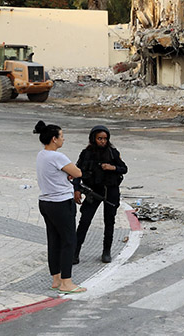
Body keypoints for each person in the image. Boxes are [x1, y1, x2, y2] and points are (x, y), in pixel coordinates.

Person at [33, 120, 86, 294]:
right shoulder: (58, 156)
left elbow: (57, 174)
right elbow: (77, 172)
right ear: (54, 139)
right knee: (69, 240)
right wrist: (69, 174)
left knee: (54, 240)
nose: (63, 139)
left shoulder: (41, 155)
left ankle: (56, 279)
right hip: (61, 203)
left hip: (46, 202)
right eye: (61, 136)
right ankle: (66, 282)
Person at [73, 125, 128, 264]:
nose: (102, 141)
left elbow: (124, 169)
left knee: (109, 222)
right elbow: (77, 172)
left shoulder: (112, 153)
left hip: (111, 191)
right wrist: (77, 190)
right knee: (85, 221)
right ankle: (75, 252)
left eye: (105, 139)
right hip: (94, 191)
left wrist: (112, 167)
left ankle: (106, 251)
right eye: (99, 138)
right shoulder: (86, 153)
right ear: (93, 139)